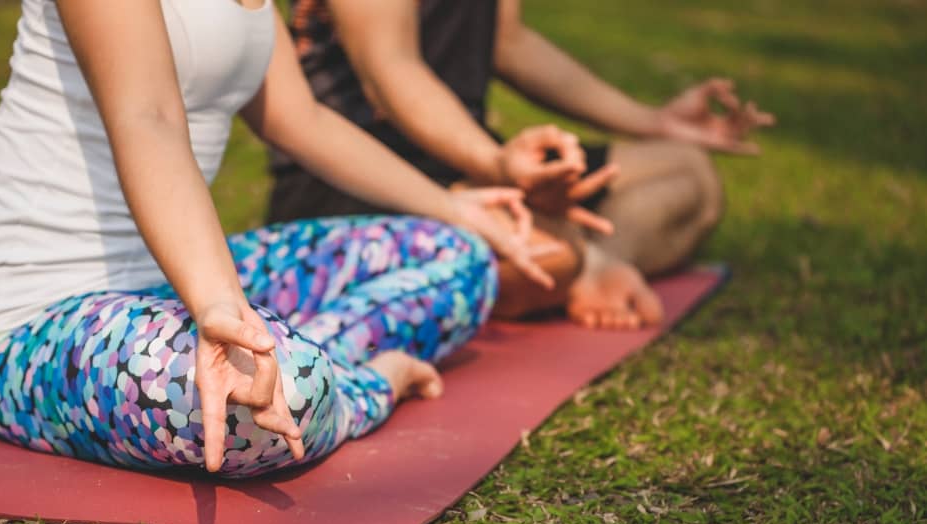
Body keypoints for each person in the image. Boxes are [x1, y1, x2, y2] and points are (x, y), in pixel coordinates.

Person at [0, 0, 547, 478]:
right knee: (278, 400)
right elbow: (148, 116)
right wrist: (220, 306)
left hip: (170, 287)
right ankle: (362, 385)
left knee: (459, 257)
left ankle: (293, 358)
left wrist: (457, 208)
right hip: (25, 324)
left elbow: (299, 120)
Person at [268, 0, 775, 329]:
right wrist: (497, 164)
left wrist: (656, 122)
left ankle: (596, 259)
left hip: (467, 155)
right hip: (360, 174)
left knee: (689, 172)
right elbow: (391, 69)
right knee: (549, 254)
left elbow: (510, 43)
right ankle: (567, 260)